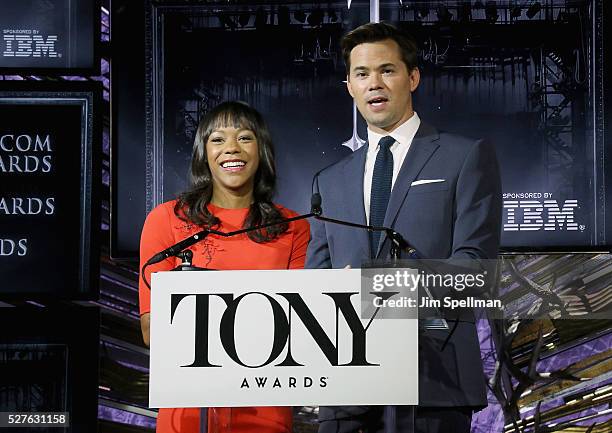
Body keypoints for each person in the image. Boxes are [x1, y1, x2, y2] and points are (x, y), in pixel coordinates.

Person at [306, 23, 502, 433]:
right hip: (346, 383)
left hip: (431, 377)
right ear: (349, 86)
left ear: (412, 77)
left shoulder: (465, 156)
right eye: (361, 74)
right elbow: (317, 283)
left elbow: (476, 270)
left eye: (387, 70)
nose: (374, 83)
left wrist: (373, 284)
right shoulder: (329, 179)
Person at [139, 101, 309, 433]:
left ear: (261, 151)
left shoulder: (294, 227)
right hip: (187, 413)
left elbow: (300, 328)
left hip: (266, 411)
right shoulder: (166, 220)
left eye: (245, 137)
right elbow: (153, 332)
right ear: (204, 152)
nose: (231, 148)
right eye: (217, 139)